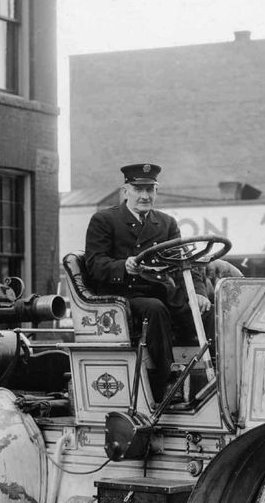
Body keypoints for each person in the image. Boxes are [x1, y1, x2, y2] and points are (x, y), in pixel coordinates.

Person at [84, 163, 209, 401]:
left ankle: (214, 378)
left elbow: (185, 263)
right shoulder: (104, 220)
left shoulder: (166, 223)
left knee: (205, 311)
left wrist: (199, 295)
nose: (145, 196)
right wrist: (124, 266)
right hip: (123, 296)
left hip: (160, 290)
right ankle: (166, 382)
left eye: (150, 190)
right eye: (138, 189)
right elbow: (95, 265)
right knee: (155, 309)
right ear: (126, 191)